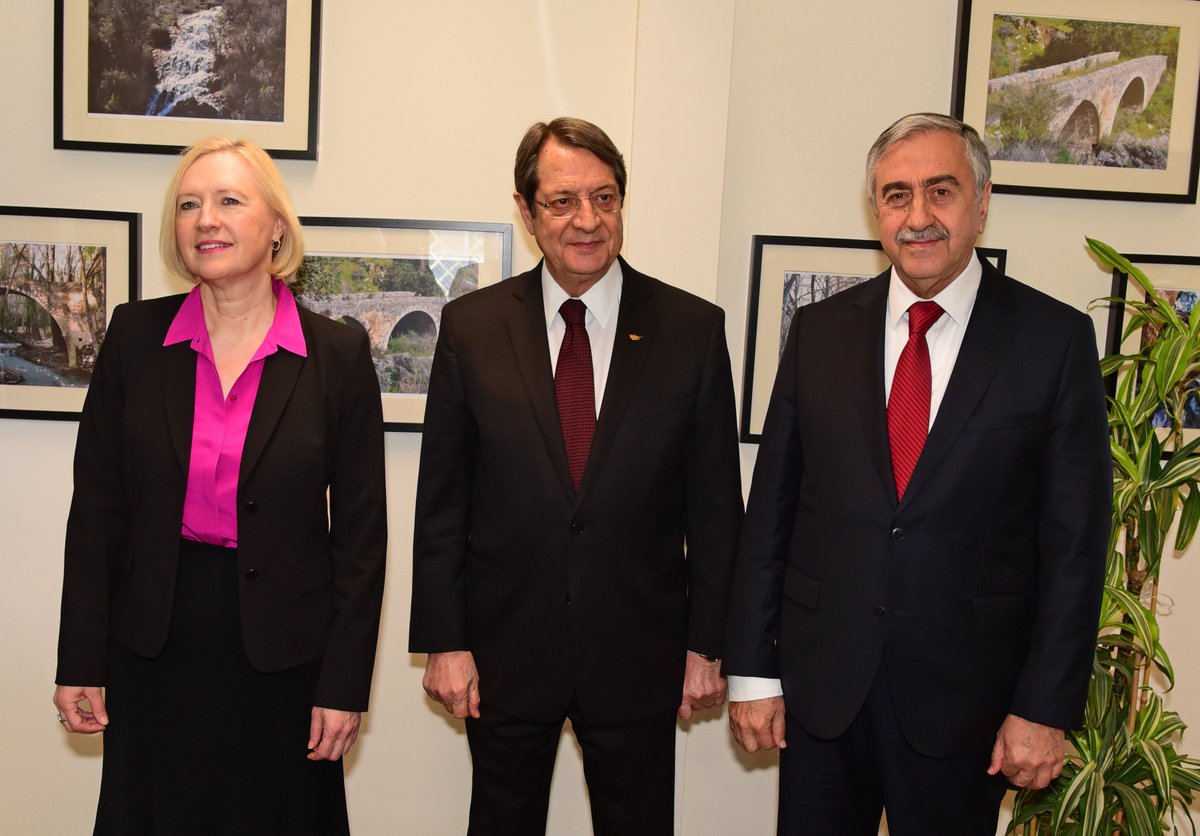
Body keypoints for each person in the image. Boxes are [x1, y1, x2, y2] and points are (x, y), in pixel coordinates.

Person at [722, 113, 1111, 835]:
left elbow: (1075, 547)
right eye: (896, 195)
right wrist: (750, 670)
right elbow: (771, 512)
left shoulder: (1052, 342)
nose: (918, 215)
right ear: (876, 210)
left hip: (968, 706)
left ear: (982, 202)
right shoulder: (819, 332)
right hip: (823, 693)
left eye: (941, 190)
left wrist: (1044, 707)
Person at [409, 117, 743, 836]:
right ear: (526, 212)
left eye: (604, 198)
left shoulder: (691, 330)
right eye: (562, 202)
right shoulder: (471, 329)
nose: (587, 220)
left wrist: (707, 645)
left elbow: (716, 510)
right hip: (503, 654)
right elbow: (442, 505)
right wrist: (445, 641)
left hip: (642, 655)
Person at [52, 136, 387, 835]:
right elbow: (97, 512)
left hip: (286, 657)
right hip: (153, 643)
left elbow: (361, 542)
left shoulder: (338, 354)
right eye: (189, 205)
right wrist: (79, 659)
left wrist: (344, 684)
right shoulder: (134, 337)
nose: (205, 219)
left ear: (277, 227)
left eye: (230, 200)